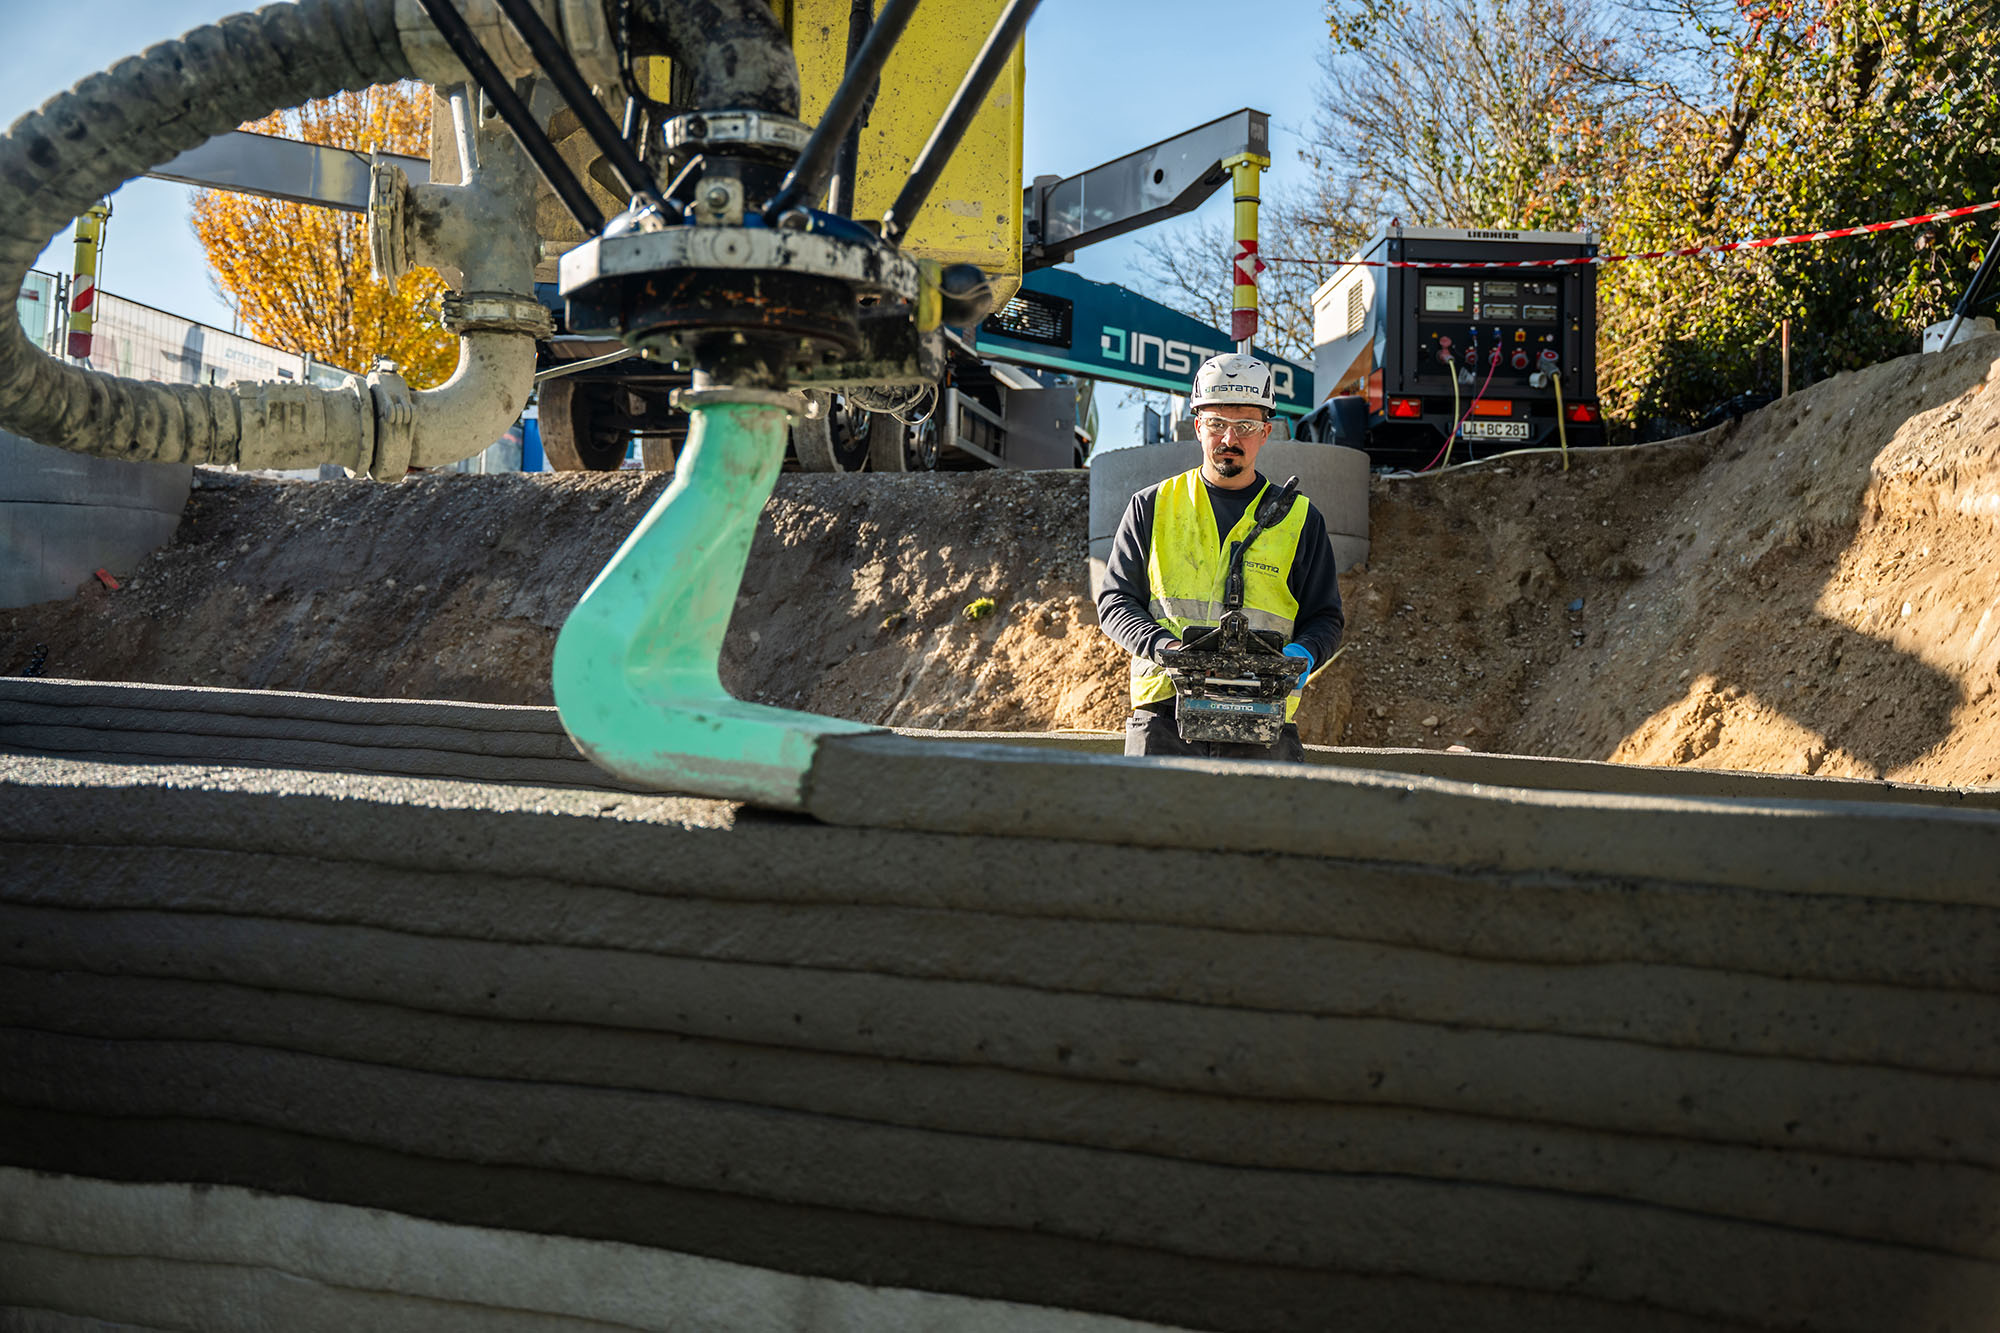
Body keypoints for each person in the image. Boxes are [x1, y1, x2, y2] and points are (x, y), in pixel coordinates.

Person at [1096, 352, 1345, 761]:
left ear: (1265, 432)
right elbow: (1115, 601)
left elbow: (1325, 618)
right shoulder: (1152, 506)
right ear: (1198, 427)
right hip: (1166, 715)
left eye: (1245, 426)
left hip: (1263, 714)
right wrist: (1166, 648)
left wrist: (1300, 657)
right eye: (1216, 424)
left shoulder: (1300, 519)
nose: (1230, 439)